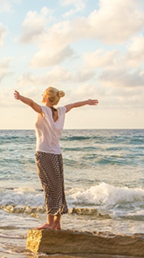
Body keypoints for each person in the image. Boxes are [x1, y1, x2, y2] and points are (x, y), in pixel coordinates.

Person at [14, 87, 98, 230]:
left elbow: (31, 103)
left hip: (44, 154)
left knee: (49, 187)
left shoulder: (44, 110)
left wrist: (20, 97)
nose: (41, 95)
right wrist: (87, 102)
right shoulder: (61, 111)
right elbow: (74, 105)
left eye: (43, 94)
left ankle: (50, 223)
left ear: (46, 97)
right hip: (57, 154)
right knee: (58, 187)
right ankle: (57, 223)